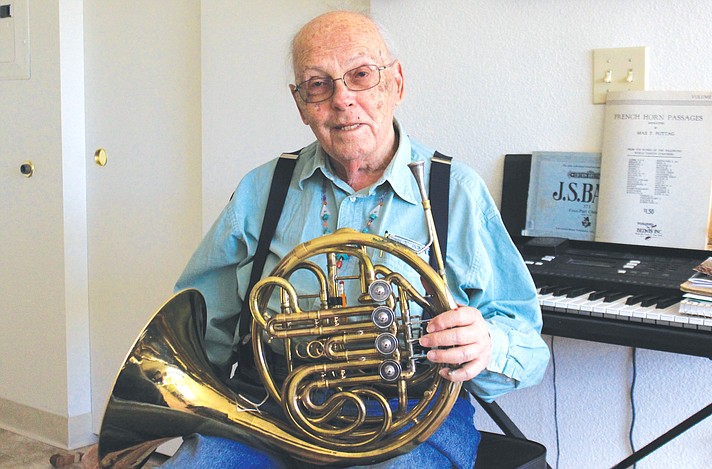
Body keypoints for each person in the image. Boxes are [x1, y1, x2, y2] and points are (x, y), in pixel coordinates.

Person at [148, 10, 548, 469]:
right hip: (271, 405)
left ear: (396, 83)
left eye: (360, 75)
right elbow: (199, 324)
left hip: (409, 414)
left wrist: (486, 344)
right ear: (300, 103)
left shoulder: (455, 191)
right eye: (318, 84)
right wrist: (161, 417)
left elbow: (528, 346)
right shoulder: (263, 190)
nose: (342, 100)